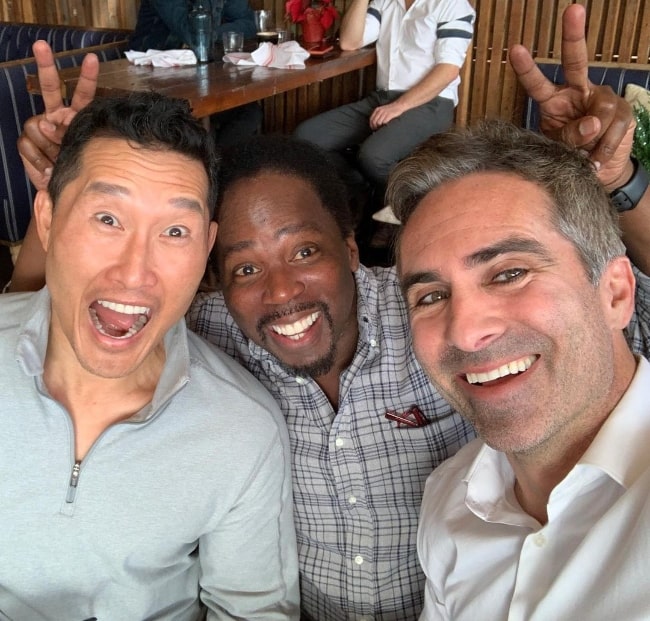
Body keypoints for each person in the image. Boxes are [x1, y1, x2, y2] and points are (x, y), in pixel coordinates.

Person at [12, 5, 650, 618]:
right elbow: (55, 310)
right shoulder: (210, 330)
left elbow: (610, 317)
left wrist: (622, 187)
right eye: (245, 269)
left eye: (306, 251)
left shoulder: (436, 322)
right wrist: (66, 200)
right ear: (215, 279)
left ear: (351, 248)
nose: (281, 291)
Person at [0, 91, 299, 619]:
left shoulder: (241, 429)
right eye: (108, 219)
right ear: (46, 219)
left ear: (207, 248)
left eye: (175, 231)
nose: (135, 272)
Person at [389, 120, 650, 620]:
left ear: (615, 293)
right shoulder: (450, 496)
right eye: (431, 296)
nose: (465, 332)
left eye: (510, 273)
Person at [293, 0, 475, 231]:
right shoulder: (385, 2)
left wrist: (400, 106)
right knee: (307, 137)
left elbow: (447, 70)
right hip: (382, 99)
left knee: (374, 156)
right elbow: (350, 42)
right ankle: (364, 188)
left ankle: (415, 213)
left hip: (432, 102)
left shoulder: (452, 4)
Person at [130, 0, 261, 149]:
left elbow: (250, 23)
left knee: (248, 112)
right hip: (149, 80)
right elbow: (193, 36)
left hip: (200, 73)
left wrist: (211, 33)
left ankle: (215, 169)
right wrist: (214, 33)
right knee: (191, 119)